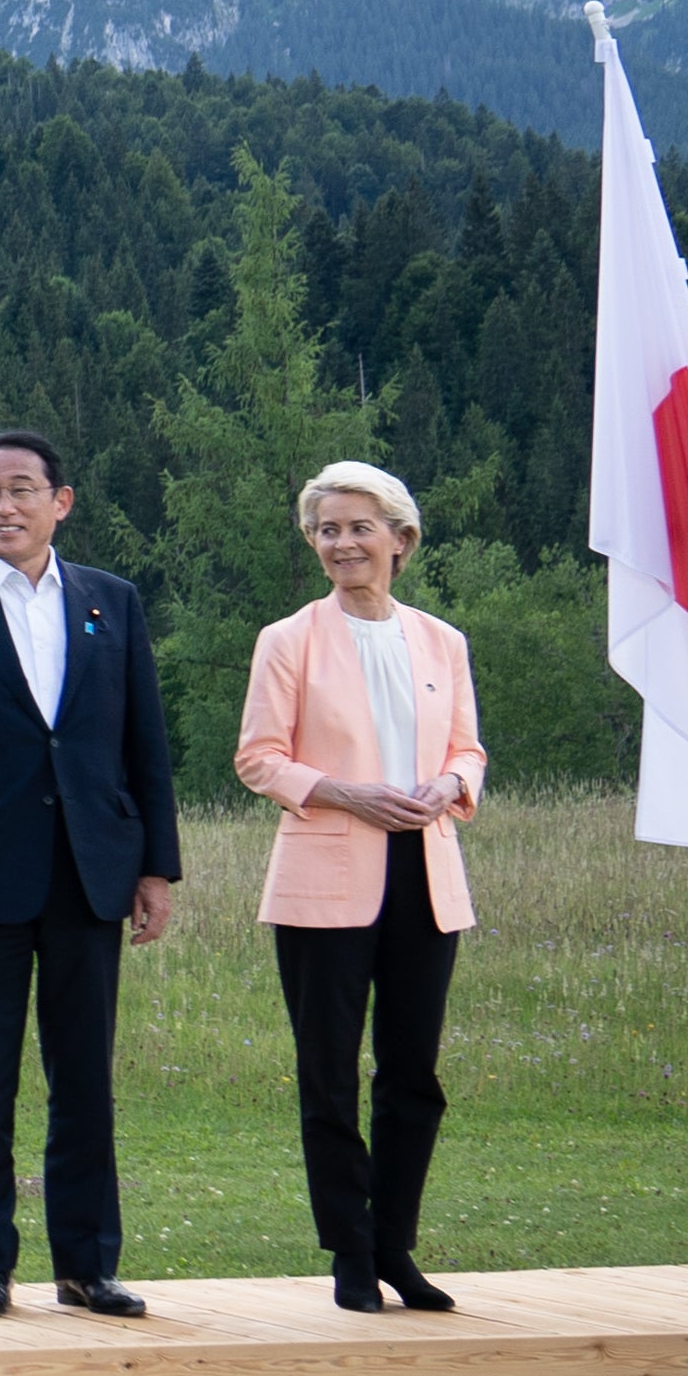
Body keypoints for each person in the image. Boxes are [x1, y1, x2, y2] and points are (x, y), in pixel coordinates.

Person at [0, 429, 180, 1318]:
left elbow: (144, 744)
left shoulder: (111, 603)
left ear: (61, 502)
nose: (2, 506)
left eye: (21, 489)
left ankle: (86, 1265)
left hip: (92, 871)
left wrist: (155, 867)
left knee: (84, 1076)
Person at [233, 459, 487, 1315]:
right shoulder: (288, 639)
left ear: (399, 540)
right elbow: (258, 758)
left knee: (413, 1073)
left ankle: (394, 1247)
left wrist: (448, 788)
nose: (341, 542)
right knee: (328, 1074)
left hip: (425, 876)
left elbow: (467, 751)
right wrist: (348, 792)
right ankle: (347, 1253)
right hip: (322, 886)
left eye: (357, 527)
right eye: (326, 529)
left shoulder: (441, 642)